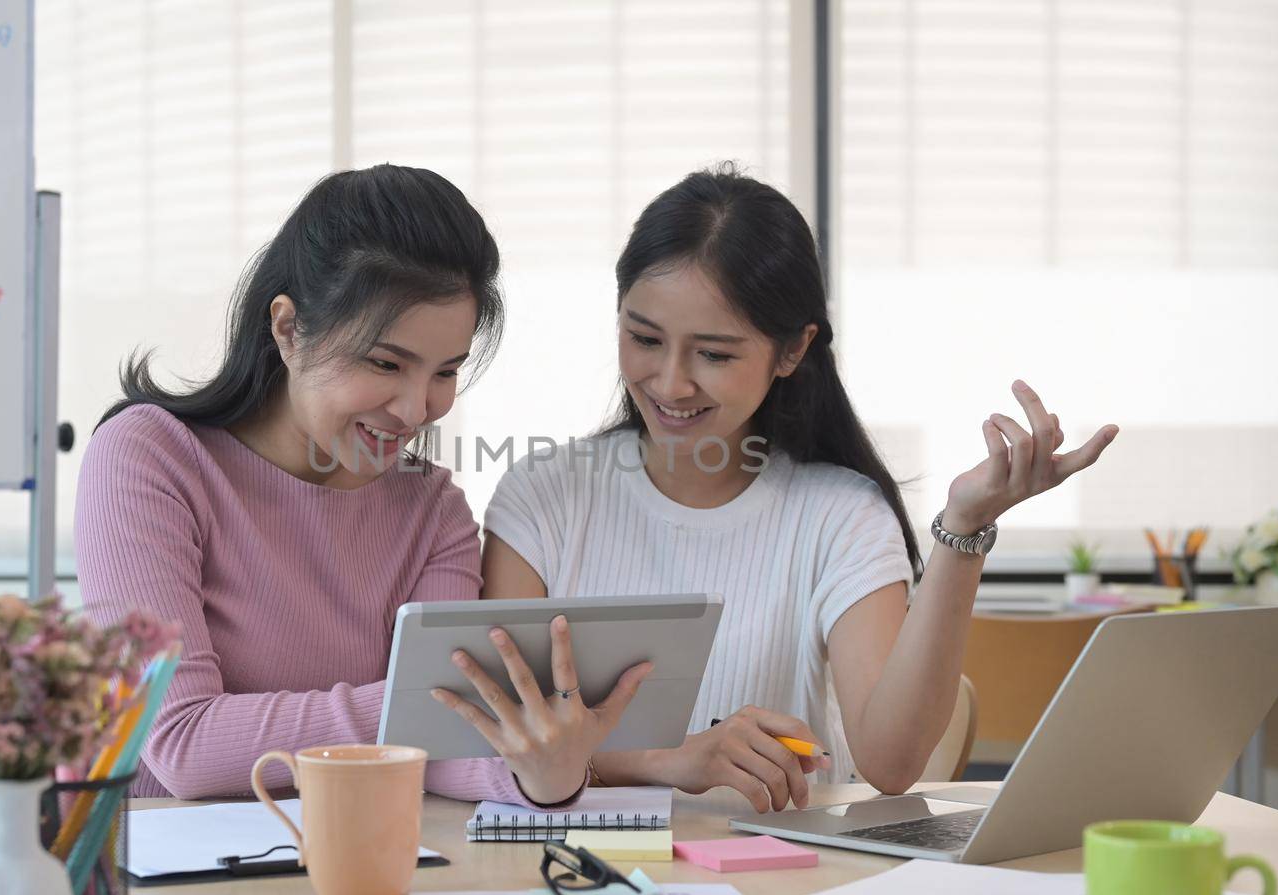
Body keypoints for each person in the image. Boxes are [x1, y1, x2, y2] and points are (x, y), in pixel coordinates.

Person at [481, 163, 1118, 813]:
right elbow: (490, 741)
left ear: (790, 351)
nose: (670, 383)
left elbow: (894, 763)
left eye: (714, 354)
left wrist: (964, 528)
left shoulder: (838, 513)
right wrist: (673, 759)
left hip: (772, 873)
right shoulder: (543, 496)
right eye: (644, 338)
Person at [76, 164, 650, 803]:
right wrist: (426, 703)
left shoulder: (436, 514)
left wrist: (541, 771)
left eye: (445, 371)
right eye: (385, 363)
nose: (415, 409)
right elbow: (183, 749)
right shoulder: (150, 458)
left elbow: (446, 751)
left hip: (356, 861)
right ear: (290, 329)